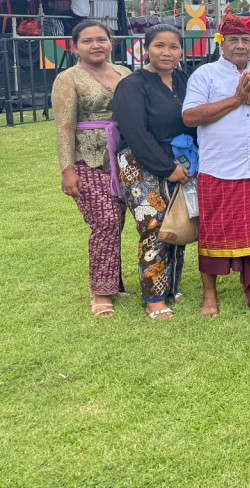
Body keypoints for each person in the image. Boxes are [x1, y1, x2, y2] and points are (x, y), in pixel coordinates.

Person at [182, 13, 250, 315]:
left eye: (246, 40)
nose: (240, 45)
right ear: (222, 43)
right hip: (220, 169)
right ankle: (209, 296)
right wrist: (234, 100)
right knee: (214, 233)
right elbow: (190, 116)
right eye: (233, 40)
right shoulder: (205, 75)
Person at [111, 24, 196, 319]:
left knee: (179, 222)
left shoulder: (185, 80)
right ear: (147, 48)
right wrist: (166, 167)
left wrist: (183, 164)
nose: (167, 52)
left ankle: (172, 286)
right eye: (160, 45)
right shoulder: (133, 85)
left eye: (174, 46)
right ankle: (154, 297)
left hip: (181, 162)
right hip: (142, 162)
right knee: (154, 228)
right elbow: (135, 132)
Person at [52, 20, 132, 316]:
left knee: (120, 220)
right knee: (106, 221)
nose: (96, 45)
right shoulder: (68, 78)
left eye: (101, 39)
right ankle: (101, 293)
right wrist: (67, 169)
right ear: (76, 47)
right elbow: (64, 127)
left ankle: (116, 282)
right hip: (88, 159)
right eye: (87, 41)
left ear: (111, 42)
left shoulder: (125, 73)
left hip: (125, 155)